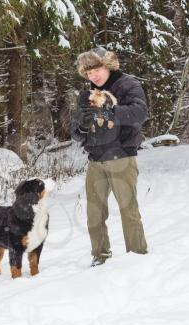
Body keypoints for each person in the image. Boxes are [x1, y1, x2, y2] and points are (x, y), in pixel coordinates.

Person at [71, 47, 148, 267]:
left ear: (108, 65)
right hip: (95, 161)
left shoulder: (127, 85)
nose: (93, 76)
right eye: (88, 73)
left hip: (121, 157)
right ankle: (100, 257)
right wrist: (82, 127)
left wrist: (109, 110)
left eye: (96, 69)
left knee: (128, 211)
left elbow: (140, 113)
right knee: (94, 214)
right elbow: (74, 132)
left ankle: (138, 257)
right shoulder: (86, 95)